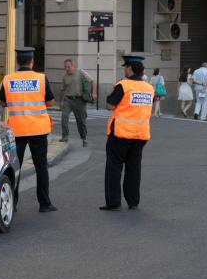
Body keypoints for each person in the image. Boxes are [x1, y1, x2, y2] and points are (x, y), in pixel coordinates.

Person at [0, 47, 57, 212]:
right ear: (32, 61)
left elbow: (3, 102)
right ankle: (44, 203)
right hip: (38, 129)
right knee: (41, 167)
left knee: (15, 168)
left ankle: (13, 204)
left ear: (17, 62)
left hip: (17, 131)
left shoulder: (8, 79)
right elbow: (51, 102)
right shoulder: (41, 78)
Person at [100, 54, 152, 211]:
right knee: (134, 168)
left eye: (125, 67)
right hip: (141, 134)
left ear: (129, 68)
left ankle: (113, 202)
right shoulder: (149, 87)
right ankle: (133, 202)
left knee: (114, 167)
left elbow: (110, 105)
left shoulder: (123, 85)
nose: (124, 70)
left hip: (121, 134)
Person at [59, 59, 95, 147]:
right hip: (68, 100)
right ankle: (65, 136)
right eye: (65, 67)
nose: (67, 69)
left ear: (73, 66)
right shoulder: (64, 77)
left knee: (81, 121)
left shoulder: (80, 72)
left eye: (68, 67)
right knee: (64, 116)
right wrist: (61, 101)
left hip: (79, 100)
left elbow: (92, 81)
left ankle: (84, 138)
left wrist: (94, 93)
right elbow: (62, 90)